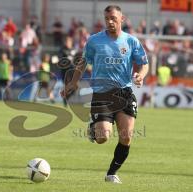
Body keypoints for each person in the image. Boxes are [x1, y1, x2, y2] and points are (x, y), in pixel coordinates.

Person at [61, 5, 149, 184]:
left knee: (126, 137)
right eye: (107, 18)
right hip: (102, 94)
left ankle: (111, 173)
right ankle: (94, 129)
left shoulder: (131, 41)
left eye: (113, 18)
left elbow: (144, 63)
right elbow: (83, 62)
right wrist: (73, 82)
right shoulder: (94, 41)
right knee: (103, 138)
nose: (110, 22)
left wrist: (141, 75)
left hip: (124, 93)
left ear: (121, 19)